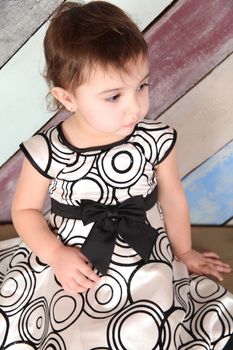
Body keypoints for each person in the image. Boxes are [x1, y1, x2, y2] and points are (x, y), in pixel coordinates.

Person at [0, 1, 232, 349]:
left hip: (144, 254)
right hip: (73, 257)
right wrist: (55, 254)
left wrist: (184, 252)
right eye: (114, 96)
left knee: (150, 324)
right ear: (67, 98)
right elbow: (25, 211)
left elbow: (172, 198)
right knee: (65, 321)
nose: (135, 106)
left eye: (142, 86)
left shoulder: (154, 139)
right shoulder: (48, 150)